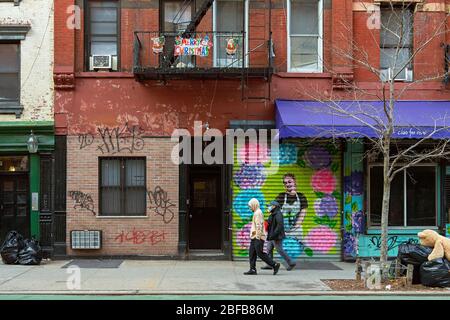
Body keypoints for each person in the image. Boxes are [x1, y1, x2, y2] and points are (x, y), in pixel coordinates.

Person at [243, 198, 280, 275]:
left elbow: (259, 225)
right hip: (255, 237)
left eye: (250, 206)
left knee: (260, 253)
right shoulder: (256, 212)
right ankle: (252, 269)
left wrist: (258, 236)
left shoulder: (258, 213)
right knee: (252, 253)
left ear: (254, 205)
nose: (250, 208)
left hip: (258, 237)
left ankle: (274, 264)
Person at [262, 200, 296, 271]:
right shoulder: (273, 214)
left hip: (276, 236)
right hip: (271, 235)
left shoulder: (278, 214)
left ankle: (291, 263)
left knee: (280, 250)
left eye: (269, 206)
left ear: (274, 206)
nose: (268, 207)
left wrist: (274, 235)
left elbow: (279, 226)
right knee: (269, 249)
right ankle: (269, 264)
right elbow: (270, 223)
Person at [275, 173, 308, 237]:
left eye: (289, 182)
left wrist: (294, 229)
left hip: (297, 231)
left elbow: (302, 215)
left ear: (295, 182)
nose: (287, 184)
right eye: (285, 183)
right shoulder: (280, 197)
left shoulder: (301, 197)